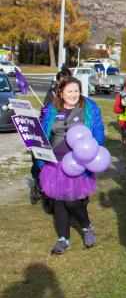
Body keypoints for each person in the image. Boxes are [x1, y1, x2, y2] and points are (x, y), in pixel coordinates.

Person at [38, 77, 105, 255]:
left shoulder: (89, 108)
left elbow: (98, 131)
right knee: (58, 202)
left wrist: (91, 150)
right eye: (70, 91)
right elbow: (44, 133)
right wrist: (39, 155)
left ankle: (86, 226)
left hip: (77, 163)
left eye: (76, 90)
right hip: (55, 162)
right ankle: (63, 239)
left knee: (72, 201)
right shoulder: (52, 109)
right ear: (61, 92)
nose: (74, 94)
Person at [30, 68, 72, 205]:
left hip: (68, 134)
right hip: (52, 132)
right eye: (61, 82)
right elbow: (45, 114)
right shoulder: (52, 93)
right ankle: (42, 188)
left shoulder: (74, 94)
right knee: (43, 163)